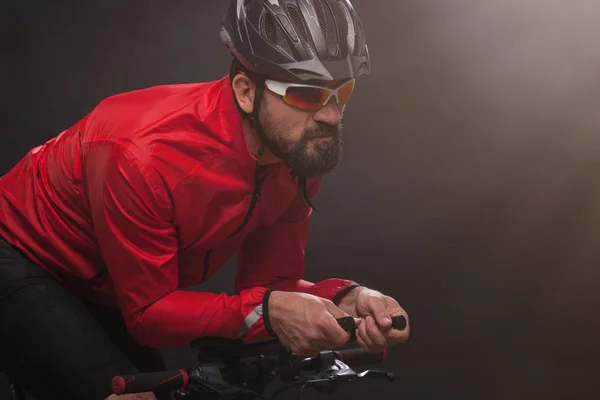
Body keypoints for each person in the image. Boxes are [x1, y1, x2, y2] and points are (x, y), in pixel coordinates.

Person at [0, 1, 409, 399]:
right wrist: (270, 311)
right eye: (306, 95)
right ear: (246, 92)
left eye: (342, 92)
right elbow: (149, 314)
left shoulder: (297, 152)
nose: (331, 117)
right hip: (19, 254)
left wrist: (345, 298)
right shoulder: (143, 153)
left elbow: (269, 286)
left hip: (108, 283)